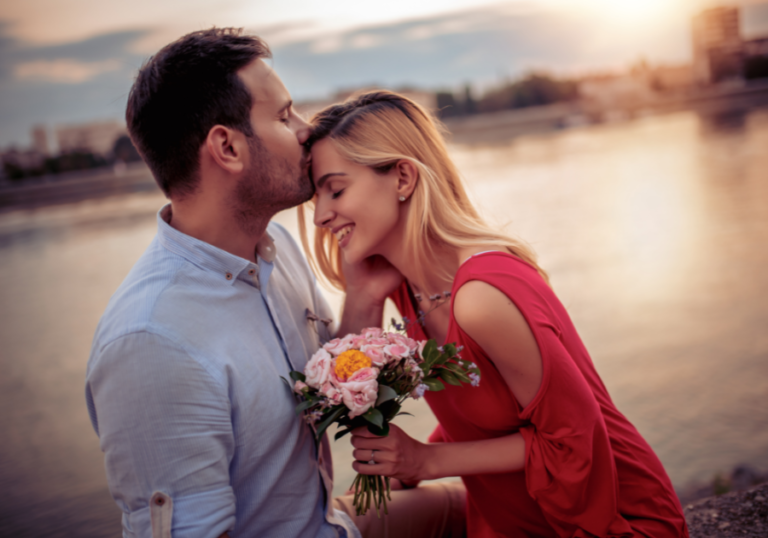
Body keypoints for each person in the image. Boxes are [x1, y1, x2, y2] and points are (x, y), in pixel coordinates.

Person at [85, 30, 464, 538]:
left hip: (332, 521)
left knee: (492, 502)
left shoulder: (277, 248)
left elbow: (326, 389)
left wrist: (365, 294)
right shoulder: (152, 343)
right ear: (227, 146)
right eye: (284, 117)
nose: (307, 129)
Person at [303, 90, 690, 537]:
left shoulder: (483, 296)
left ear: (403, 178)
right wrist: (364, 297)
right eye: (318, 198)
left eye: (336, 190)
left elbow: (574, 442)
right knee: (332, 526)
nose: (321, 218)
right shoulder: (409, 292)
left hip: (609, 520)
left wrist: (426, 461)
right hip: (505, 515)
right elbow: (342, 399)